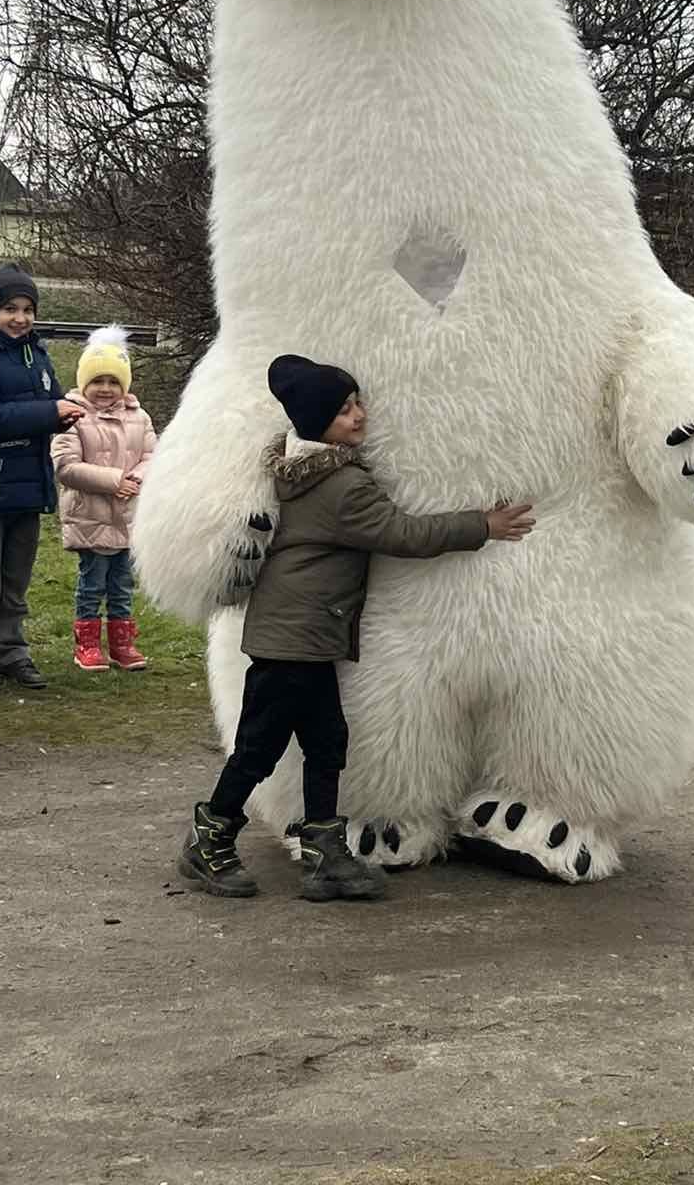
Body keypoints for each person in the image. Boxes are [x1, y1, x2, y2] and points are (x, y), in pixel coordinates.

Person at [178, 353, 535, 903]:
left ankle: (325, 852)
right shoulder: (340, 488)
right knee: (259, 746)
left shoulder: (307, 472)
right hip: (291, 641)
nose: (360, 415)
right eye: (346, 410)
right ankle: (209, 839)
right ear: (320, 421)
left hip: (306, 637)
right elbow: (403, 534)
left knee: (327, 743)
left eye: (357, 403)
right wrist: (482, 525)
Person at [0, 264, 83, 694]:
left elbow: (49, 401)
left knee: (16, 580)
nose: (20, 318)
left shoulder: (36, 354)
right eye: (10, 309)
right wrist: (49, 413)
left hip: (28, 483)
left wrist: (64, 414)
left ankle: (11, 652)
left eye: (27, 309)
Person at [53, 326, 156, 672]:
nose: (106, 389)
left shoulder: (139, 417)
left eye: (113, 382)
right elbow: (66, 466)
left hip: (127, 516)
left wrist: (135, 480)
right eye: (98, 381)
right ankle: (87, 644)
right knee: (92, 583)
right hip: (91, 515)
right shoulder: (71, 416)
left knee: (123, 585)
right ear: (84, 383)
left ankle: (123, 642)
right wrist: (114, 481)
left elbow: (152, 456)